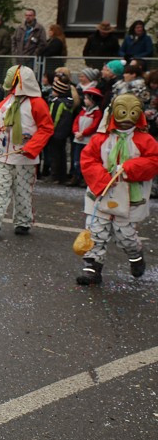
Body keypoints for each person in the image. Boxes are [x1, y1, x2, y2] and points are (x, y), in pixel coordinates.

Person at [76, 94, 158, 285]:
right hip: (101, 192)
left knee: (125, 236)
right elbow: (88, 160)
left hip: (130, 195)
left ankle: (135, 256)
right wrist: (102, 178)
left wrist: (131, 167)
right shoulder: (100, 138)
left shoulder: (144, 140)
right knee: (96, 232)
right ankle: (92, 270)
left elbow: (154, 160)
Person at [0, 66, 54, 237]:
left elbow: (46, 128)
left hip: (25, 157)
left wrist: (31, 147)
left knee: (22, 191)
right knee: (0, 188)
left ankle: (23, 221)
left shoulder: (37, 103)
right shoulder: (6, 102)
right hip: (3, 154)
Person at [67, 87, 103, 187]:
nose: (84, 100)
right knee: (76, 159)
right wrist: (76, 132)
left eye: (87, 98)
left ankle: (84, 178)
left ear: (92, 100)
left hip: (87, 140)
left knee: (86, 160)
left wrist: (83, 133)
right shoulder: (83, 111)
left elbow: (94, 126)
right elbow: (76, 122)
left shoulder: (97, 113)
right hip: (78, 139)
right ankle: (76, 176)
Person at [45, 73, 76, 184]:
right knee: (61, 154)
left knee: (55, 155)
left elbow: (54, 117)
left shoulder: (58, 102)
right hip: (63, 133)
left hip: (55, 133)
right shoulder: (68, 101)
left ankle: (55, 176)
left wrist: (50, 129)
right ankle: (61, 176)